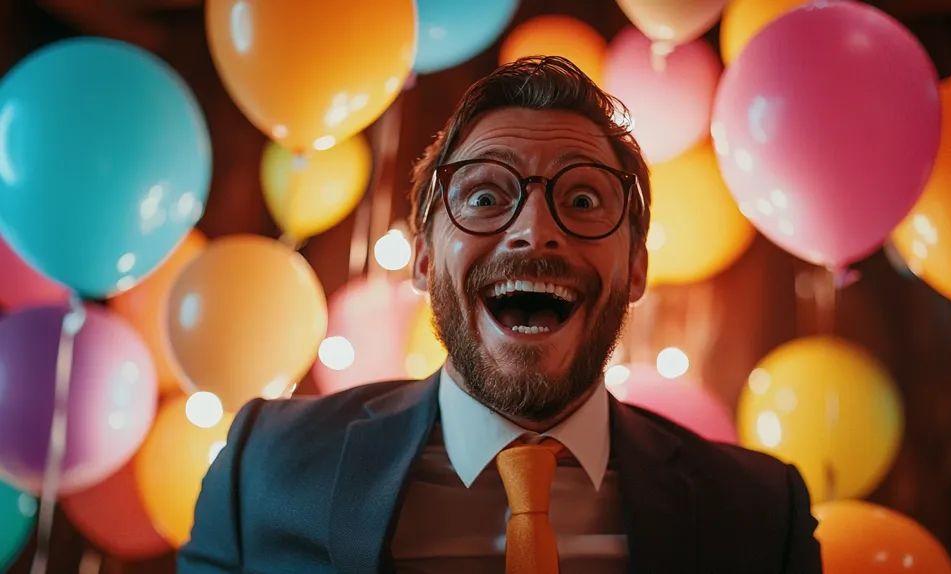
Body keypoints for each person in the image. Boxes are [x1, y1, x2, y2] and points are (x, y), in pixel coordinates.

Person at [179, 56, 822, 574]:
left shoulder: (761, 515)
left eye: (583, 198)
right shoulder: (263, 467)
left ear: (635, 270)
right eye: (485, 196)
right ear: (426, 260)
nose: (534, 231)